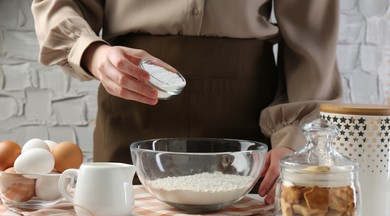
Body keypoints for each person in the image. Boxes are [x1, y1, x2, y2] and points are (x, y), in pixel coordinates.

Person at [31, 0, 342, 205]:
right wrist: (92, 53)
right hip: (133, 99)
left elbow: (312, 32)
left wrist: (293, 138)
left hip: (246, 114)